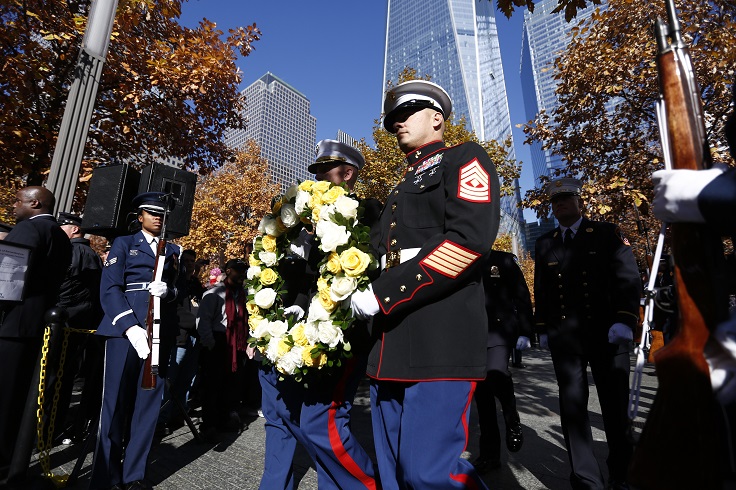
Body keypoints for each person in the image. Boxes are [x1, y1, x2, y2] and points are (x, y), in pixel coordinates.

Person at [350, 79, 500, 489]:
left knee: (430, 474)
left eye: (406, 113)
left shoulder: (465, 158)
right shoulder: (399, 187)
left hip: (440, 339)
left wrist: (382, 294)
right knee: (394, 473)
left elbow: (467, 243)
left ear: (437, 117)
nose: (396, 122)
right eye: (392, 118)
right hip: (390, 347)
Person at [258, 139, 380, 490]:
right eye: (316, 173)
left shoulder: (368, 211)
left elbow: (361, 271)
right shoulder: (310, 223)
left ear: (348, 173)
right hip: (306, 332)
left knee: (324, 422)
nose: (318, 179)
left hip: (345, 334)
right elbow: (310, 281)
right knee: (301, 419)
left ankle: (365, 484)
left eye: (326, 172)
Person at [533, 177, 641, 490]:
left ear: (580, 202)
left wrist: (625, 319)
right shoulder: (545, 243)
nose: (560, 204)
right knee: (572, 409)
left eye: (566, 198)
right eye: (555, 201)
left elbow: (628, 278)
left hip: (608, 333)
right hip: (566, 338)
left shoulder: (606, 233)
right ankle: (585, 477)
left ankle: (621, 473)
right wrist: (541, 328)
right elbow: (542, 289)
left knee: (615, 409)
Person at [89, 192, 180, 490]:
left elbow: (178, 291)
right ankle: (106, 476)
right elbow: (111, 289)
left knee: (147, 407)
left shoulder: (173, 250)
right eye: (151, 212)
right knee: (114, 404)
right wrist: (129, 326)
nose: (158, 217)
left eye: (162, 214)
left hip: (158, 334)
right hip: (125, 332)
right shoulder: (125, 244)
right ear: (139, 215)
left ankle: (134, 476)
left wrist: (169, 292)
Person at [0, 186, 71, 479]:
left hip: (11, 325)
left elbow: (7, 281)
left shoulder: (28, 231)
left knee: (4, 399)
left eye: (18, 201)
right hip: (37, 326)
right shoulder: (61, 237)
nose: (13, 206)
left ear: (35, 203)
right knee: (18, 401)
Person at [473, 249, 534, 473]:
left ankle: (512, 418)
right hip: (472, 335)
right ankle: (489, 455)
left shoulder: (503, 260)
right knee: (482, 395)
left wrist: (527, 331)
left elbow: (521, 295)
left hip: (499, 331)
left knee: (497, 373)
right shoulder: (461, 256)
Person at [45, 212, 104, 442]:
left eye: (63, 227)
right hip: (75, 325)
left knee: (56, 379)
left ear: (75, 229)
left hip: (66, 324)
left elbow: (66, 292)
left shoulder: (75, 252)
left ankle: (49, 429)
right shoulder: (89, 254)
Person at [196, 258, 249, 438]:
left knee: (231, 383)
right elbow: (203, 321)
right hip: (219, 341)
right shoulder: (214, 293)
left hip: (237, 343)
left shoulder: (244, 294)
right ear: (228, 270)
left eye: (244, 270)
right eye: (238, 270)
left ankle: (225, 418)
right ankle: (210, 423)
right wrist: (210, 344)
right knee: (212, 385)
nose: (242, 274)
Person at [157, 248, 204, 436]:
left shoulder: (196, 285)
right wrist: (197, 323)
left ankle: (179, 414)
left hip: (195, 337)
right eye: (187, 261)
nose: (191, 264)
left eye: (193, 261)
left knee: (187, 380)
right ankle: (161, 420)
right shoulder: (176, 284)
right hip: (179, 336)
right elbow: (176, 309)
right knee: (170, 380)